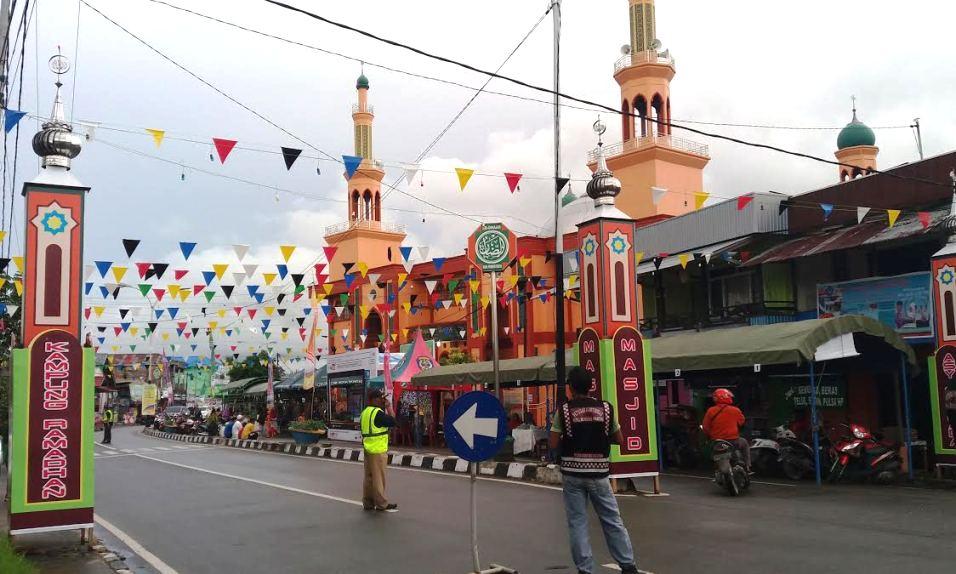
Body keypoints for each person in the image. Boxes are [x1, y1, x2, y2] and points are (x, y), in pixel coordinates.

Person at [549, 367, 639, 574]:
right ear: (591, 387)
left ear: (570, 388)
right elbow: (620, 439)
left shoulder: (564, 411)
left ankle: (585, 569)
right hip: (599, 475)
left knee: (577, 522)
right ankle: (628, 565)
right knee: (612, 520)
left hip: (572, 475)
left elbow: (553, 443)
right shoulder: (607, 409)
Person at [360, 390, 397, 511]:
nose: (381, 400)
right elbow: (393, 421)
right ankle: (381, 503)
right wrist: (389, 407)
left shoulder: (364, 413)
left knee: (369, 478)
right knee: (378, 478)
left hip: (367, 448)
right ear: (373, 400)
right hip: (378, 449)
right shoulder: (378, 413)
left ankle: (368, 502)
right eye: (379, 398)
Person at [702, 388, 751, 472]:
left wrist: (709, 436)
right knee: (745, 444)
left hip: (718, 442)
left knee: (715, 454)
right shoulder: (735, 410)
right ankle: (748, 465)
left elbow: (705, 427)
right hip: (734, 441)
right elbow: (742, 423)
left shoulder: (711, 411)